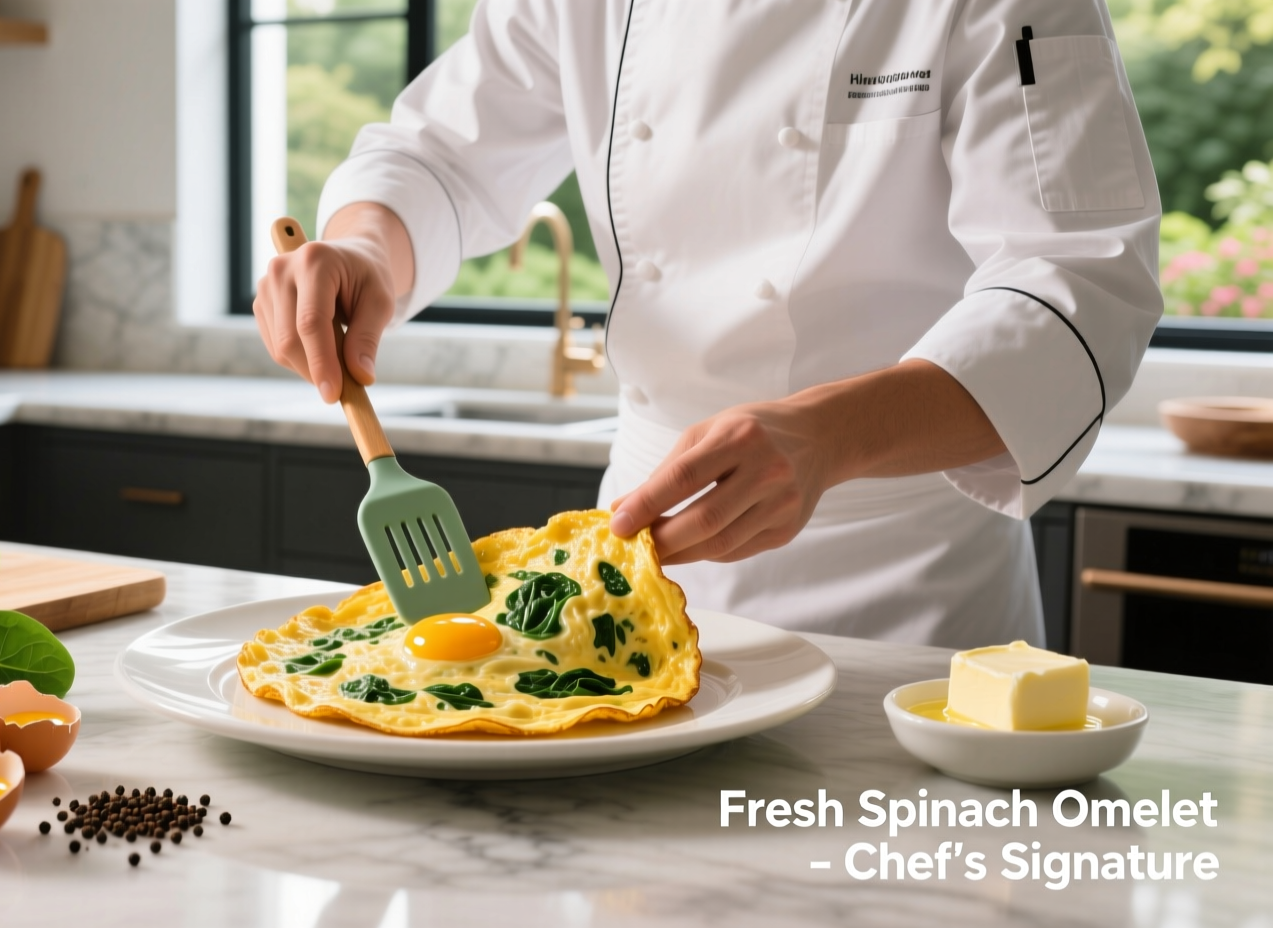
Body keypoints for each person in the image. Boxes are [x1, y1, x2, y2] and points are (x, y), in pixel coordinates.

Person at [253, 1, 1163, 648]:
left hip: (904, 588)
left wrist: (832, 435)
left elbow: (1078, 280)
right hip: (643, 556)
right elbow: (439, 156)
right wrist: (366, 252)